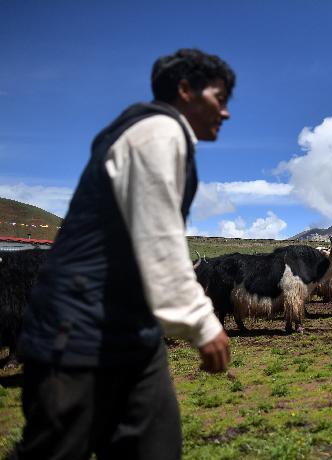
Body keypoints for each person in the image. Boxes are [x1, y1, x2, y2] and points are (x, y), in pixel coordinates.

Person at [12, 49, 234, 460]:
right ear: (186, 90)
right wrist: (202, 322)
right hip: (78, 330)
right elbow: (157, 237)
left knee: (155, 447)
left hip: (133, 332)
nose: (226, 112)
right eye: (219, 99)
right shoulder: (158, 134)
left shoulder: (157, 136)